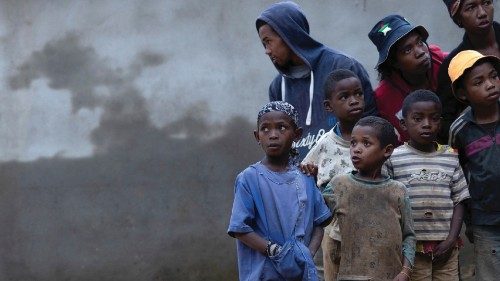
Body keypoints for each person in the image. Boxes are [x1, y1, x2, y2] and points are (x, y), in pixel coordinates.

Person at [256, 1, 377, 161]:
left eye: (268, 41)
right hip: (301, 181)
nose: (267, 50)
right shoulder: (278, 87)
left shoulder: (342, 67)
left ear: (288, 34)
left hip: (346, 176)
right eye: (264, 44)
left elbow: (373, 123)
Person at [227, 101, 332, 281]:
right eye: (265, 129)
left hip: (301, 275)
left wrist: (307, 253)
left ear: (297, 134)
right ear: (257, 136)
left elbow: (318, 223)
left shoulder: (305, 177)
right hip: (263, 274)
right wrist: (274, 251)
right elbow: (240, 228)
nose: (273, 135)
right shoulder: (249, 179)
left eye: (282, 128)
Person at [384, 90, 470, 281]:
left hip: (446, 247)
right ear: (403, 124)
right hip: (410, 250)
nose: (426, 124)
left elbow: (460, 200)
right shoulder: (394, 159)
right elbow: (388, 205)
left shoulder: (450, 156)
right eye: (418, 118)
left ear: (440, 122)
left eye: (434, 118)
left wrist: (451, 239)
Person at [323, 116, 416, 281]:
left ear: (387, 150)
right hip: (349, 276)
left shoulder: (397, 191)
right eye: (353, 143)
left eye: (366, 143)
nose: (356, 149)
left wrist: (405, 272)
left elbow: (408, 235)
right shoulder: (339, 186)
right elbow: (316, 220)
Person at [300, 69, 364, 281]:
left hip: (371, 227)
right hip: (335, 233)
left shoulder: (378, 135)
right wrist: (310, 173)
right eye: (344, 97)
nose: (353, 101)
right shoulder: (325, 145)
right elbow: (304, 175)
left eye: (358, 94)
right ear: (329, 106)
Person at [447, 50, 500, 280]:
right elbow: (456, 176)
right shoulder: (460, 130)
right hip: (485, 222)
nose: (491, 85)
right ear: (462, 93)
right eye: (479, 82)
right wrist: (468, 221)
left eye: (494, 76)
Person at [368, 15, 447, 143]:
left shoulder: (444, 62)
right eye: (407, 50)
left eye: (420, 42)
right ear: (393, 62)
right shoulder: (384, 98)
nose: (420, 52)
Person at [437, 0, 500, 143]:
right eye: (471, 7)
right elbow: (446, 121)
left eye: (486, 2)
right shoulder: (453, 66)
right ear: (458, 19)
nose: (482, 13)